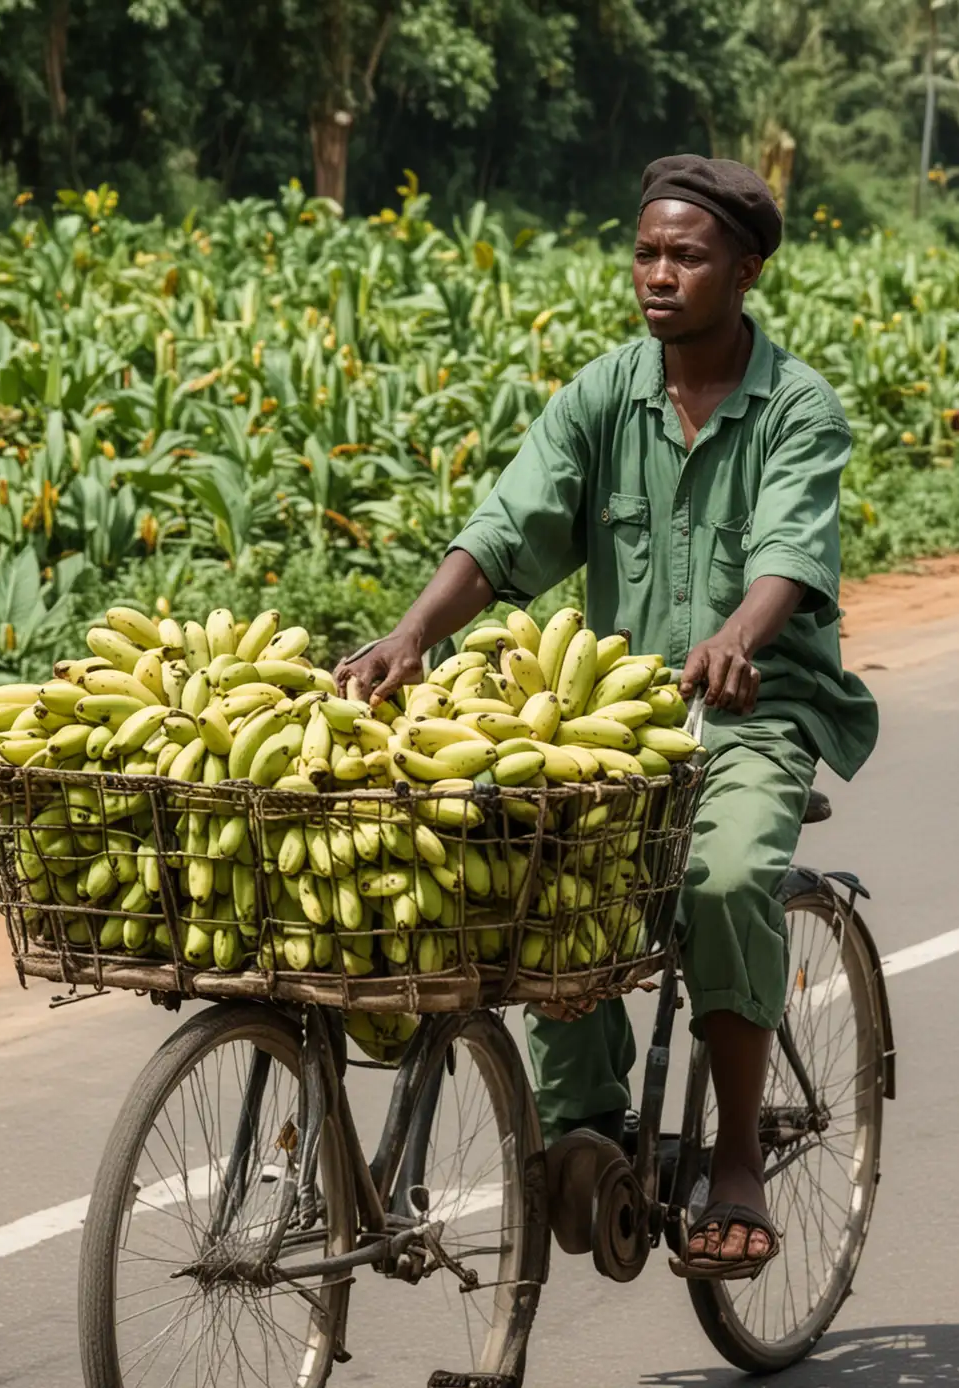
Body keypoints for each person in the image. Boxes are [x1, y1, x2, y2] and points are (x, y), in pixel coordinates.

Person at [338, 154, 877, 1277]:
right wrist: (410, 633)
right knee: (530, 872)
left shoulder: (797, 409)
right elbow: (503, 531)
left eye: (688, 255)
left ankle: (733, 1159)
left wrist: (738, 635)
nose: (659, 275)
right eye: (646, 252)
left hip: (753, 707)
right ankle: (591, 1118)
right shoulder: (602, 396)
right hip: (610, 721)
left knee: (724, 882)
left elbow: (787, 552)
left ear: (746, 270)